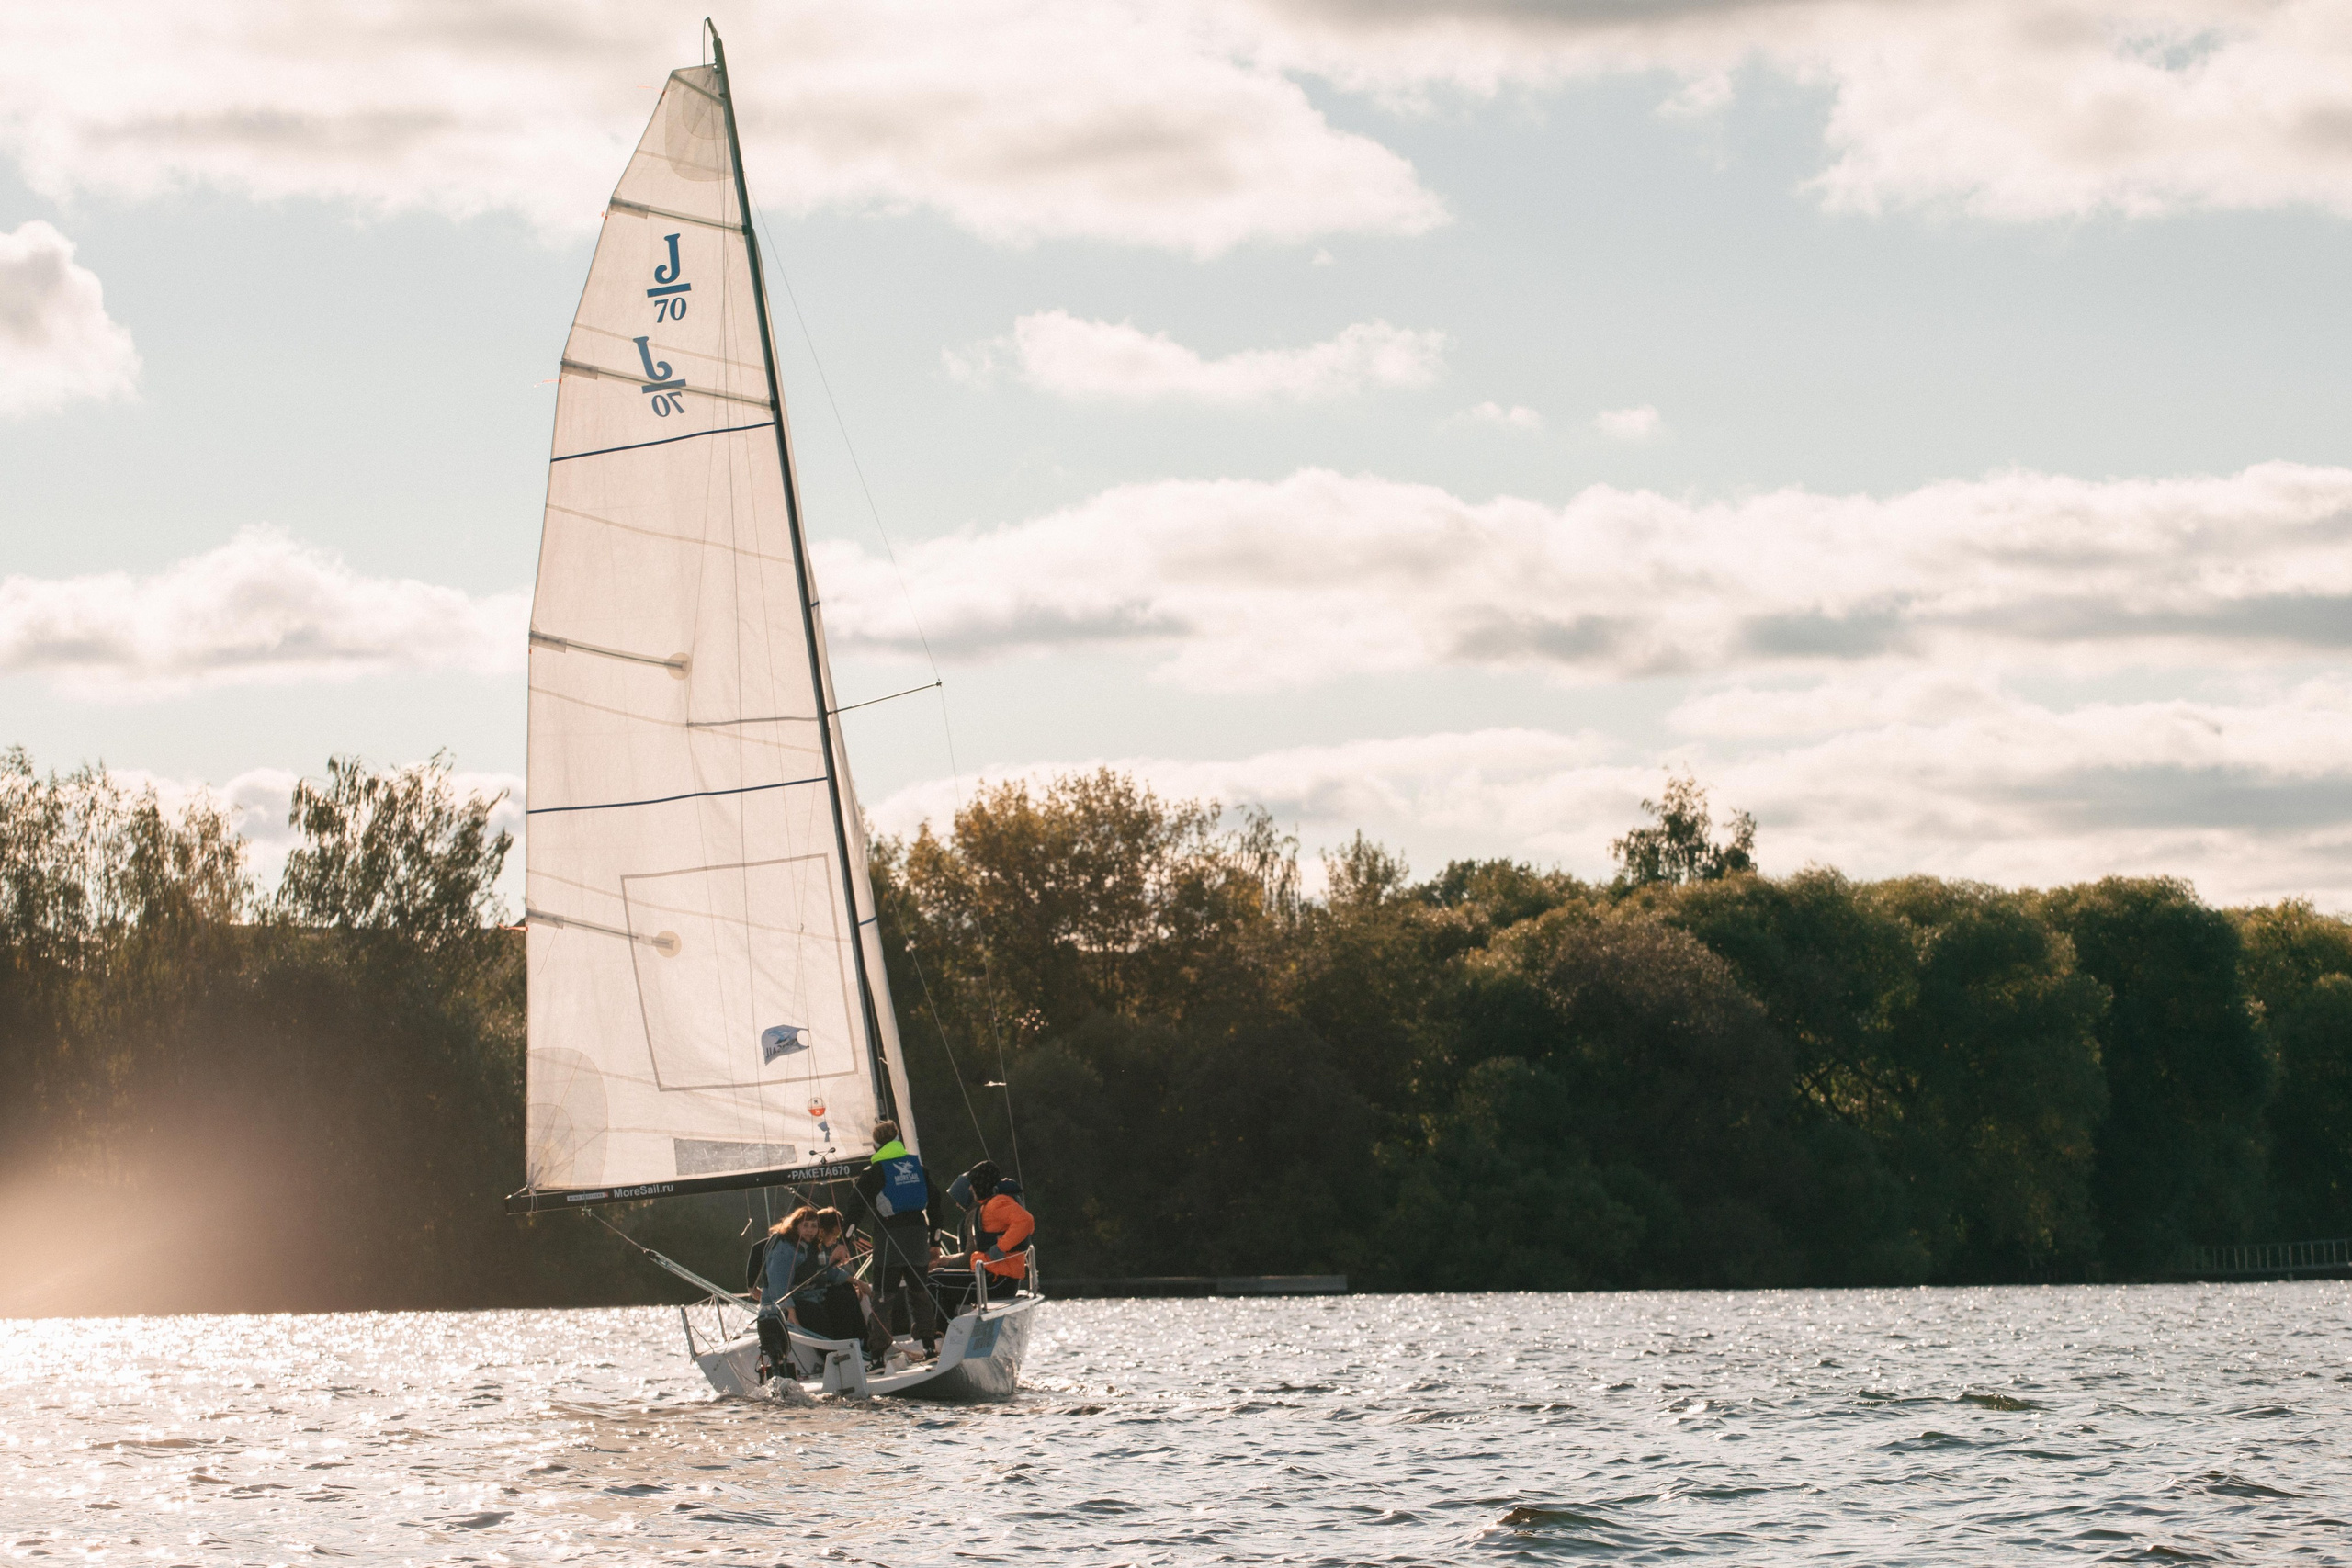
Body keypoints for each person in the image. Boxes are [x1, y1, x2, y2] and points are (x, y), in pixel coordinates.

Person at [852, 1119, 944, 1356]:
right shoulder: (919, 1169)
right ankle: (928, 1345)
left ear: (875, 1146)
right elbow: (936, 1207)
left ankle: (878, 1354)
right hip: (917, 1236)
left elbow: (855, 1210)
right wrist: (935, 1242)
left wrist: (845, 1239)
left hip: (888, 1239)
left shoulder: (872, 1173)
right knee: (918, 1290)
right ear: (898, 1141)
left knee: (883, 1296)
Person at [753, 1205, 827, 1381]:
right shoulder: (786, 1248)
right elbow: (779, 1284)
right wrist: (791, 1311)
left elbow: (822, 1271)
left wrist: (851, 1280)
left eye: (814, 1226)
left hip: (803, 1298)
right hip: (780, 1306)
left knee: (841, 1297)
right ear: (796, 1226)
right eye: (806, 1225)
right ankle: (831, 1357)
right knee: (816, 1314)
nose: (810, 1230)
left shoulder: (808, 1246)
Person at [959, 1159, 1035, 1291]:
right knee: (937, 1277)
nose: (970, 1188)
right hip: (994, 1273)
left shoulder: (996, 1203)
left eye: (973, 1184)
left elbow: (1026, 1220)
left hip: (998, 1277)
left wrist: (1001, 1247)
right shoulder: (989, 1204)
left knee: (934, 1281)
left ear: (980, 1185)